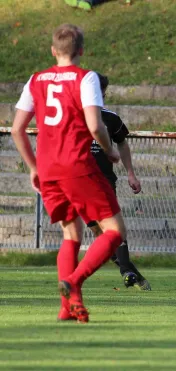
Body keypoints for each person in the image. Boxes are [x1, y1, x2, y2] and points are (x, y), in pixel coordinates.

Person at [11, 24, 126, 323]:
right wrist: (110, 150)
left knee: (70, 234)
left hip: (48, 168)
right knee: (114, 231)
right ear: (81, 51)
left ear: (53, 50)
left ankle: (67, 306)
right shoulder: (85, 78)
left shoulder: (36, 80)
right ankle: (74, 280)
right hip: (76, 165)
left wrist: (34, 167)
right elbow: (94, 125)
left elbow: (16, 129)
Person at [86, 73, 150, 291]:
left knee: (111, 230)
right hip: (78, 181)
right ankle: (130, 271)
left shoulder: (110, 118)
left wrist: (130, 172)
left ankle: (128, 272)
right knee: (100, 232)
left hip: (103, 180)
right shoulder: (74, 115)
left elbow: (122, 143)